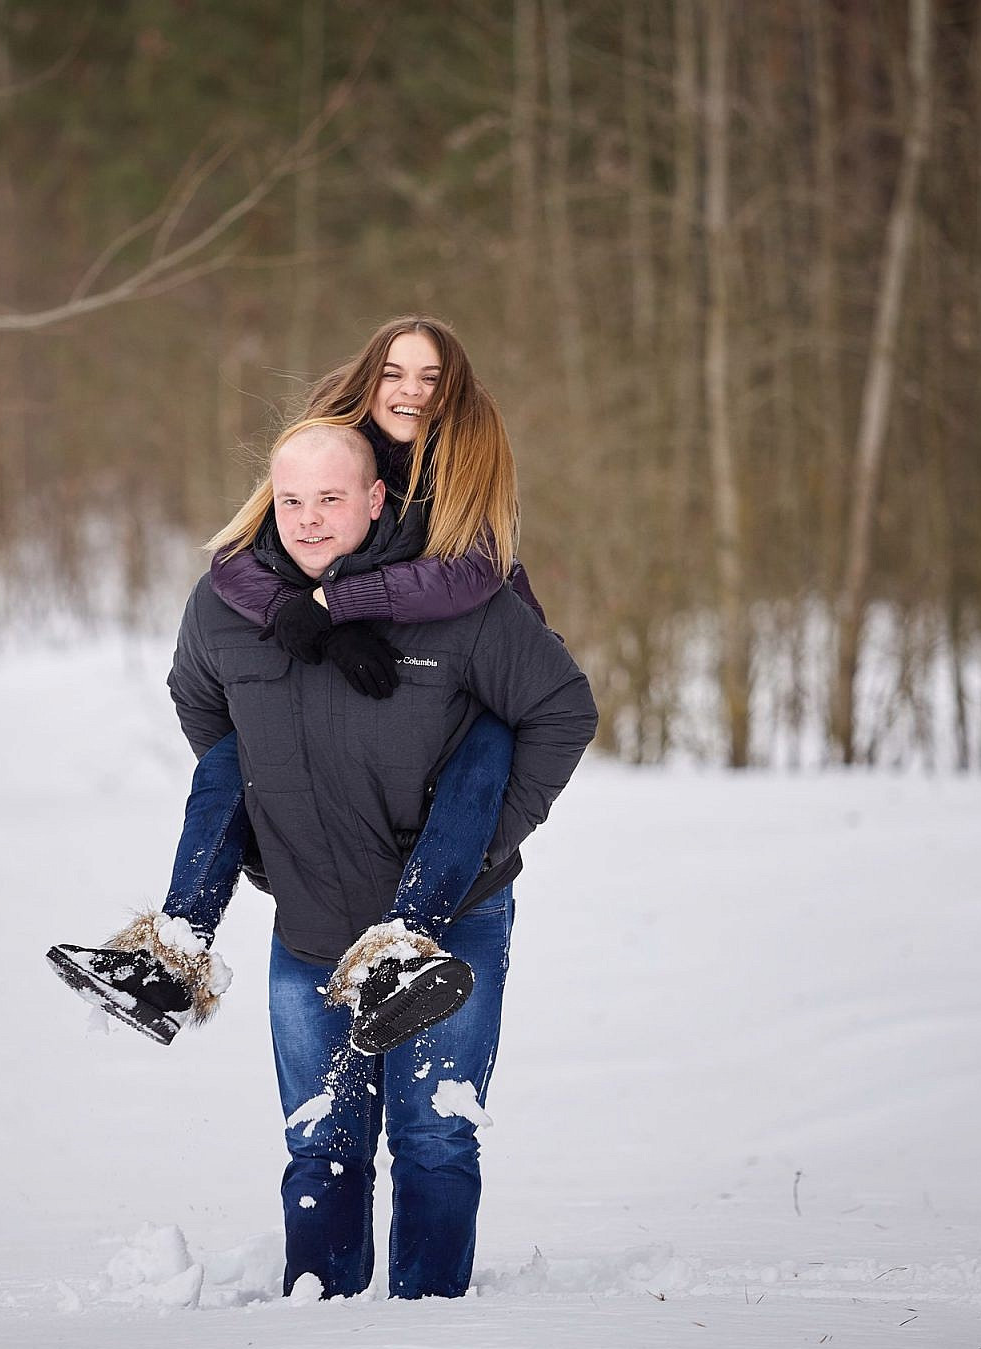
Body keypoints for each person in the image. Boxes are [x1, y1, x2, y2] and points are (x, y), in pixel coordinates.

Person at [88, 421, 596, 1299]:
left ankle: (429, 1329)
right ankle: (317, 1324)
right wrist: (271, 830)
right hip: (315, 923)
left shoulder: (456, 602)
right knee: (321, 1139)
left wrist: (488, 840)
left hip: (447, 930)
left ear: (375, 499)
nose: (310, 520)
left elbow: (561, 711)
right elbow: (204, 713)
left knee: (435, 1136)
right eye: (291, 501)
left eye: (331, 500)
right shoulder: (227, 608)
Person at [48, 318, 547, 1049]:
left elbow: (470, 575)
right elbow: (237, 557)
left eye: (431, 379)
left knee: (492, 734)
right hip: (321, 673)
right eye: (395, 373)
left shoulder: (467, 469)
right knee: (242, 747)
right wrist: (294, 616)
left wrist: (340, 605)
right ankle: (169, 952)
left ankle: (408, 943)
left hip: (458, 664)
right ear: (369, 377)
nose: (410, 391)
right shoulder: (325, 448)